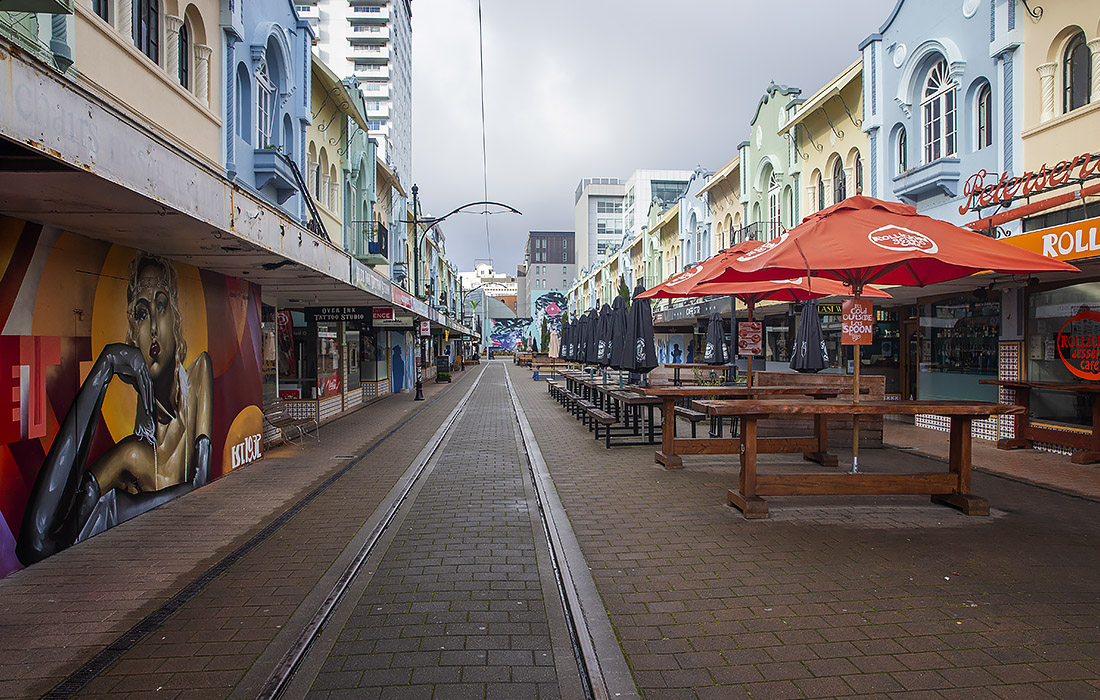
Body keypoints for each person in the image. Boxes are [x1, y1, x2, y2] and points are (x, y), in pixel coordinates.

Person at [17, 253, 213, 565]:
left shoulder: (200, 373)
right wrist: (104, 368)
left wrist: (126, 510)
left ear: (176, 320)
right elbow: (36, 544)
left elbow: (199, 483)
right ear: (132, 334)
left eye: (161, 307)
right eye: (140, 313)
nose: (151, 328)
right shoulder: (135, 448)